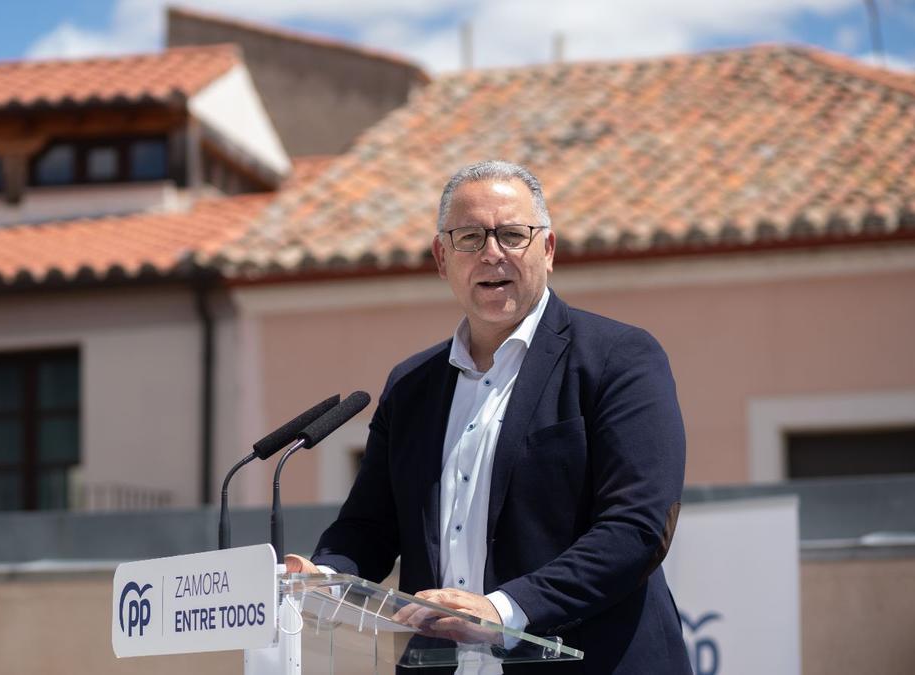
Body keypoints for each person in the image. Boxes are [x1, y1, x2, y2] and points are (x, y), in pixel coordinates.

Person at [286, 160, 692, 673]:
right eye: (470, 237)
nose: (492, 253)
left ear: (548, 250)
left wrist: (501, 611)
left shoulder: (618, 358)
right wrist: (324, 575)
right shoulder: (412, 386)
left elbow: (638, 527)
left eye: (513, 235)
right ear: (441, 257)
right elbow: (369, 526)